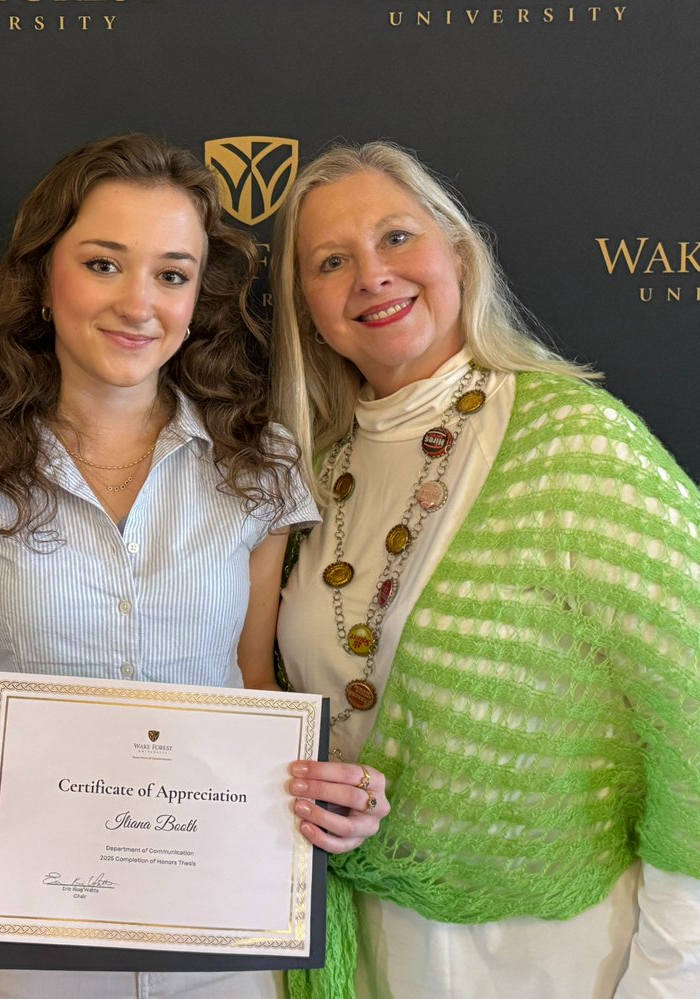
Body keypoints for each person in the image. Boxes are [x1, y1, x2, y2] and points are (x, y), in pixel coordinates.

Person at [0, 133, 391, 999]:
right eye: (104, 263)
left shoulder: (260, 465)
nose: (138, 302)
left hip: (224, 927)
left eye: (171, 273)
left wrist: (328, 788)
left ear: (198, 297)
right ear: (45, 278)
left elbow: (250, 678)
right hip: (27, 935)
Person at [271, 140, 700, 998]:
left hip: (558, 954)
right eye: (332, 260)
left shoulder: (577, 441)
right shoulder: (306, 477)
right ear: (306, 306)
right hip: (363, 942)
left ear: (457, 255)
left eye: (397, 238)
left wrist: (669, 975)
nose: (372, 276)